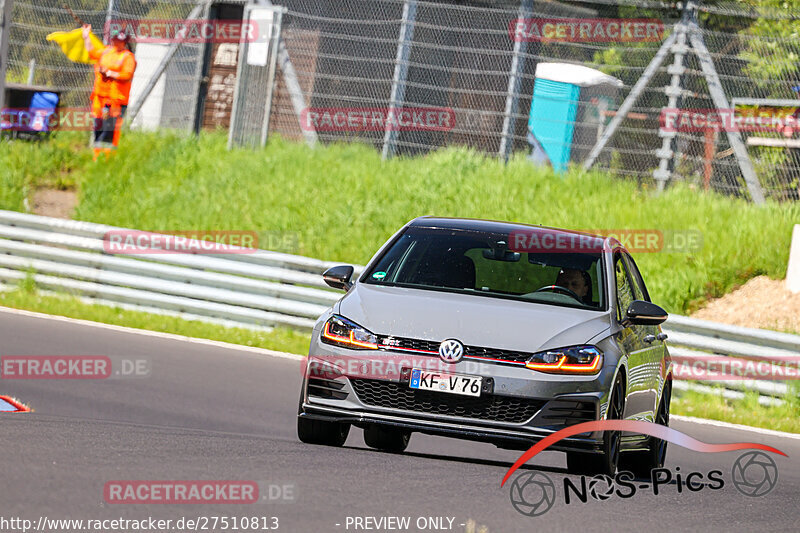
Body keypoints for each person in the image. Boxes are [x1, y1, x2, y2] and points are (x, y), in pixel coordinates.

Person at [82, 24, 136, 160]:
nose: (117, 43)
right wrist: (86, 36)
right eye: (115, 40)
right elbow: (92, 52)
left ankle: (107, 159)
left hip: (115, 101)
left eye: (120, 41)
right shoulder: (106, 51)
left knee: (109, 130)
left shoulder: (127, 57)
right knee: (98, 128)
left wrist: (110, 73)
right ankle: (97, 158)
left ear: (125, 42)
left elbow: (127, 75)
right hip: (100, 98)